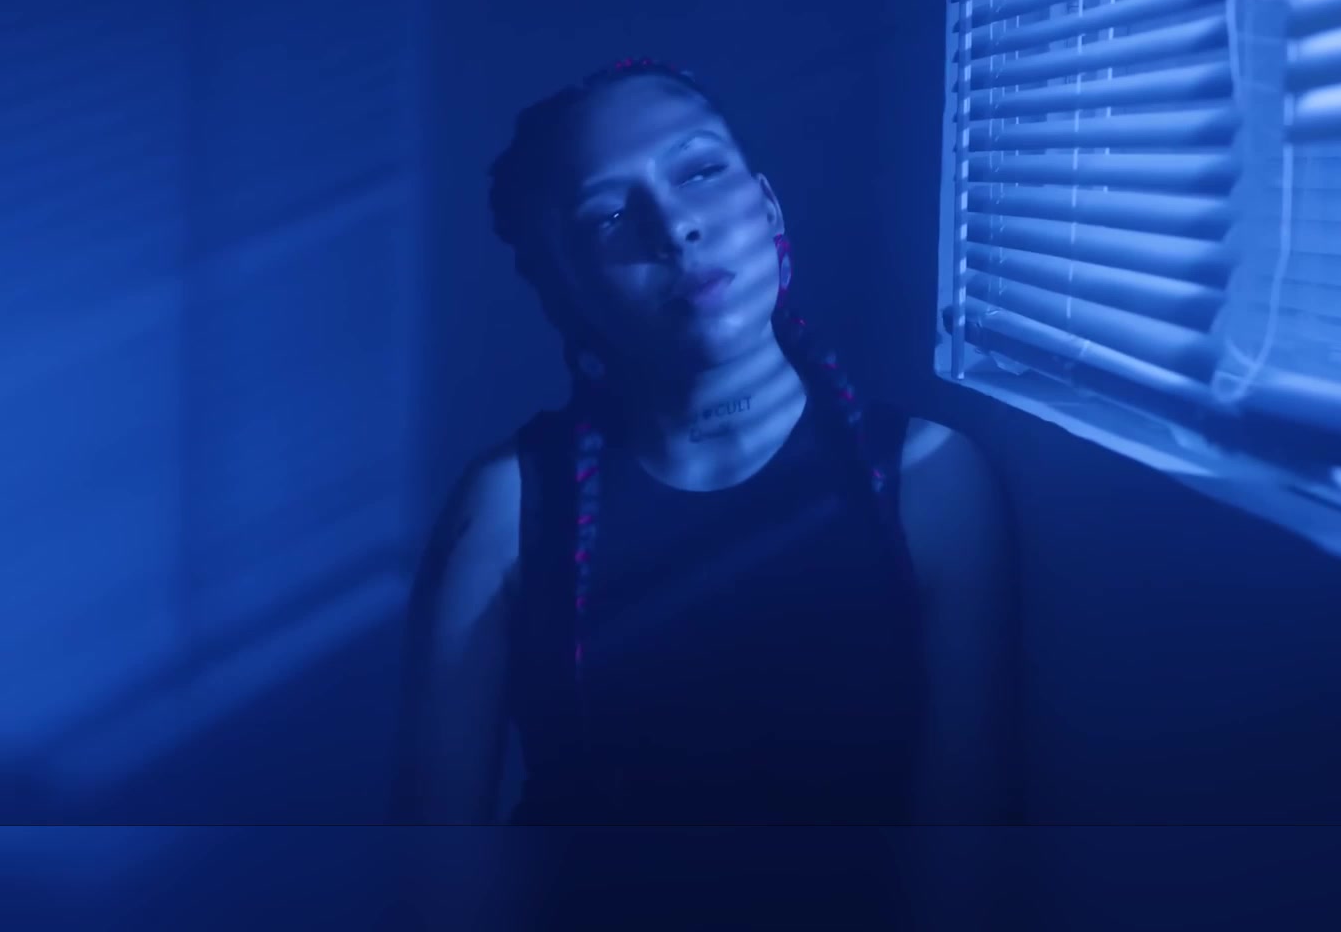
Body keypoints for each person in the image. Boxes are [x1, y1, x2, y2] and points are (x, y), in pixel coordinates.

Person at [394, 58, 1010, 838]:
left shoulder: (930, 479)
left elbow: (966, 853)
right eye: (609, 216)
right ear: (568, 285)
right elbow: (434, 864)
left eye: (700, 172)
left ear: (768, 206)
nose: (673, 227)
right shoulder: (505, 511)